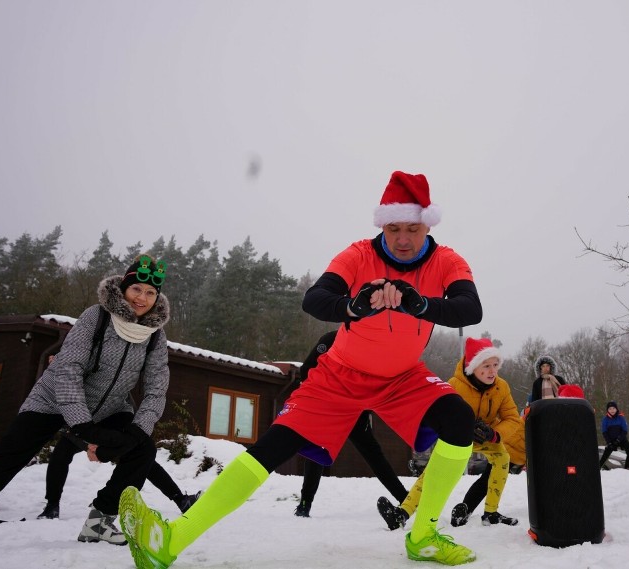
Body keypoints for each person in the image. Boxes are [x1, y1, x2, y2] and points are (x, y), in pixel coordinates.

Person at [119, 170, 483, 568]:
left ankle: (424, 535)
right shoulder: (359, 254)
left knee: (459, 419)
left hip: (403, 378)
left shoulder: (447, 261)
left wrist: (422, 304)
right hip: (338, 376)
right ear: (382, 224)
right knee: (271, 447)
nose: (401, 239)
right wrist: (352, 305)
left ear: (427, 225)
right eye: (393, 227)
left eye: (412, 228)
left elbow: (470, 308)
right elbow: (315, 298)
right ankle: (171, 540)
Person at [0, 255, 172, 544]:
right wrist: (82, 424)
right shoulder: (97, 317)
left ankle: (100, 521)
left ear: (157, 297)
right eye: (137, 289)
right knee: (7, 460)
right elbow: (68, 368)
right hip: (53, 399)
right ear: (124, 288)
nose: (142, 298)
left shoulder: (154, 336)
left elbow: (156, 387)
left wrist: (139, 428)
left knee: (142, 449)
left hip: (110, 407)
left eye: (150, 292)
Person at [377, 337, 522, 531]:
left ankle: (491, 513)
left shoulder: (501, 386)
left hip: (487, 436)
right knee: (434, 470)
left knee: (503, 458)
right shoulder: (454, 384)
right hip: (457, 438)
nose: (492, 371)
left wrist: (493, 434)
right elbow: (439, 414)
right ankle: (401, 514)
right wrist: (460, 429)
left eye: (495, 365)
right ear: (473, 366)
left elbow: (512, 417)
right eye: (486, 366)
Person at [37, 354, 200, 520]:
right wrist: (86, 444)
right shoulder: (66, 382)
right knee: (61, 453)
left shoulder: (101, 365)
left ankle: (181, 500)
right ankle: (52, 505)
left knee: (143, 456)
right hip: (84, 426)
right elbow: (66, 420)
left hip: (114, 419)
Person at [292, 330, 408, 517]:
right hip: (328, 408)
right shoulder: (331, 339)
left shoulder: (374, 345)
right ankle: (305, 504)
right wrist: (320, 396)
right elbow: (306, 369)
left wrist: (368, 404)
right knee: (316, 452)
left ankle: (404, 499)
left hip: (355, 410)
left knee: (374, 455)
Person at [598, 401, 629, 470]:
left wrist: (618, 440)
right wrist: (609, 442)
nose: (612, 410)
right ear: (607, 410)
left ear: (616, 409)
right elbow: (604, 432)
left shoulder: (621, 418)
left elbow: (625, 430)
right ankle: (598, 468)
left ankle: (627, 468)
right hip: (611, 440)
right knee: (606, 454)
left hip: (622, 439)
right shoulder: (605, 420)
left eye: (613, 408)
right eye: (610, 409)